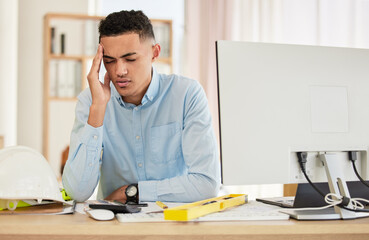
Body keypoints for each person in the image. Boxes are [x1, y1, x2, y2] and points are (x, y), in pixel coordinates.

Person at [62, 10, 220, 203]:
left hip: (174, 225)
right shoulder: (92, 101)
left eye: (130, 59)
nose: (119, 71)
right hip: (115, 228)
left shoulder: (187, 95)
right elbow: (77, 192)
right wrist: (98, 110)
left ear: (155, 53)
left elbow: (207, 183)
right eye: (109, 61)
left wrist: (132, 193)